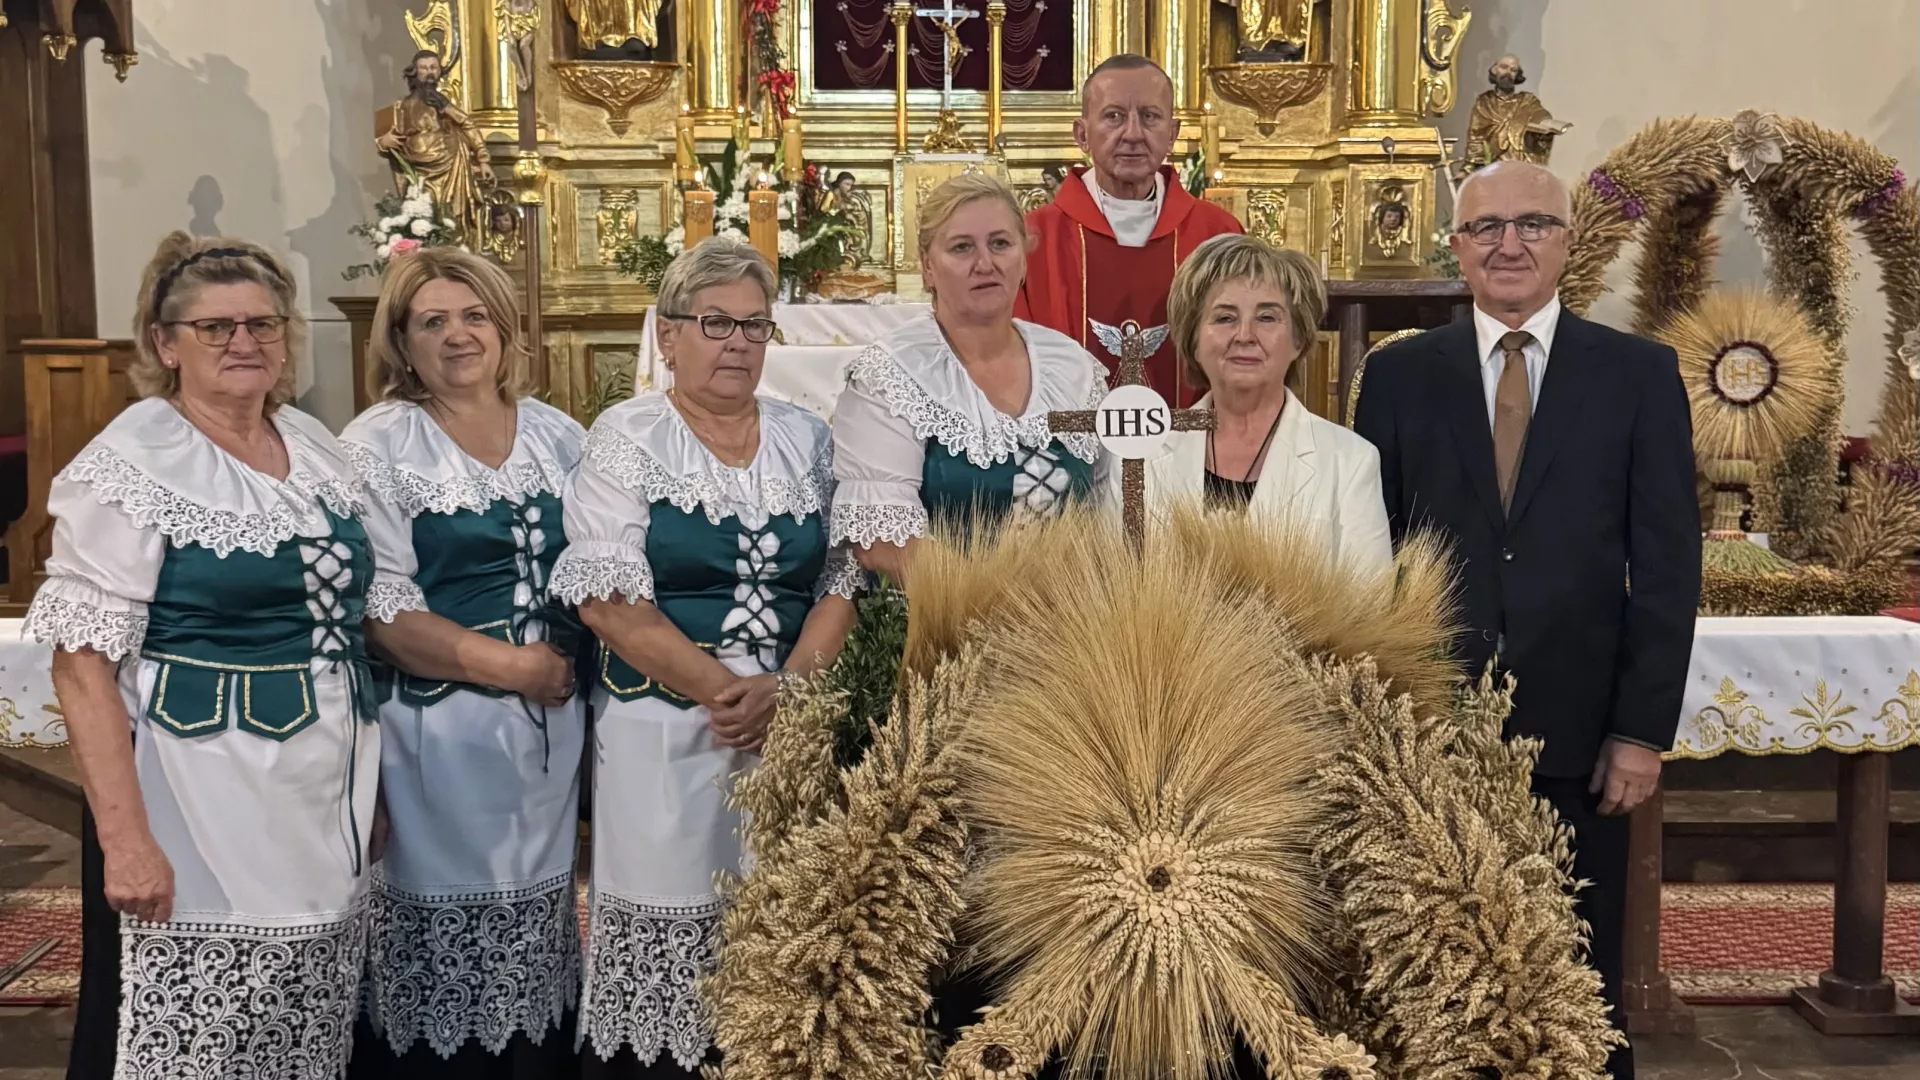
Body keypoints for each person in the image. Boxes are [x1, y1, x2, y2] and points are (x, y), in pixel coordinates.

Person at [1353, 160, 1701, 1080]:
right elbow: (1375, 551)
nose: (1510, 244)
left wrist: (1640, 730)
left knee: (1577, 973)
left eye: (1534, 225)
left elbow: (1668, 567)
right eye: (1488, 228)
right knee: (1437, 976)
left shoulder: (1637, 373)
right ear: (1457, 249)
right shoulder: (1395, 378)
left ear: (1568, 242)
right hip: (1432, 726)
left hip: (1582, 734)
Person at [30, 233, 380, 1080]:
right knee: (209, 1033)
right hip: (202, 787)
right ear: (164, 344)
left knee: (305, 1014)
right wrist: (126, 841)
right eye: (215, 328)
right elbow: (81, 666)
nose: (244, 342)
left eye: (262, 323)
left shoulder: (317, 446)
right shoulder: (134, 461)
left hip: (326, 784)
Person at [550, 237, 863, 1077]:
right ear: (667, 334)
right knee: (672, 914)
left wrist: (788, 690)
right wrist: (729, 692)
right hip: (665, 722)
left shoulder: (808, 436)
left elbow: (842, 572)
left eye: (755, 327)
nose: (737, 344)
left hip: (787, 726)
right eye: (715, 322)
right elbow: (606, 598)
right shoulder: (628, 434)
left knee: (776, 929)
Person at [342, 249, 587, 1078]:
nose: (457, 336)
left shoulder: (558, 435)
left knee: (536, 942)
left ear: (504, 326)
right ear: (401, 344)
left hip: (549, 736)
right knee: (439, 947)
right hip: (435, 734)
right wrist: (512, 668)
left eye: (473, 315)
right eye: (432, 322)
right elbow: (381, 610)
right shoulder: (380, 443)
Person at [832, 172, 1111, 580]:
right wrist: (1003, 609)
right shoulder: (891, 374)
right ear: (928, 268)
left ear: (1022, 259)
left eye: (1000, 243)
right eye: (962, 248)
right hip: (942, 627)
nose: (985, 263)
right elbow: (883, 542)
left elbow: (1111, 511)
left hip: (1078, 626)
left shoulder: (1074, 368)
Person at [1124, 234, 1390, 577]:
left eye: (1267, 318)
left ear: (1298, 339)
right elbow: (1113, 594)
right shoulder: (1140, 455)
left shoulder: (1350, 462)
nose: (1245, 335)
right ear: (1192, 338)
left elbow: (1369, 614)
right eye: (1224, 318)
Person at [1016, 53, 1244, 408]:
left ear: (1172, 134)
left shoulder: (1216, 234)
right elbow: (1012, 358)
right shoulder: (1033, 239)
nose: (1133, 134)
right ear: (1082, 134)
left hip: (1193, 449)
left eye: (1149, 116)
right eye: (1114, 116)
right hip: (1068, 452)